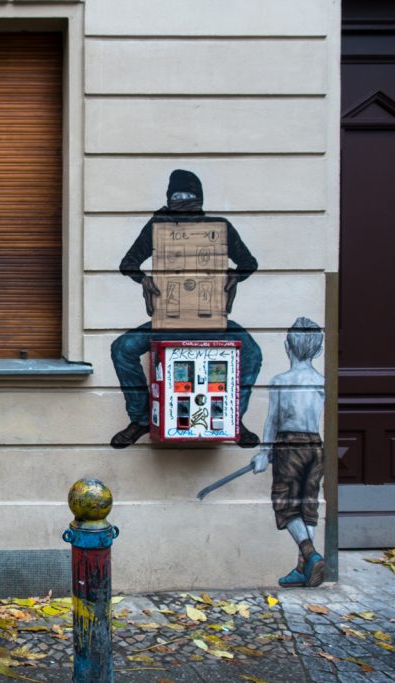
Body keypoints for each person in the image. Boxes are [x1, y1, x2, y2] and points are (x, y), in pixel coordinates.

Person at [110, 169, 263, 448]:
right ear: (169, 199)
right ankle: (142, 419)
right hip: (167, 321)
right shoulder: (158, 228)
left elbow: (249, 262)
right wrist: (144, 279)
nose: (184, 201)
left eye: (189, 196)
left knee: (252, 352)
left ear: (200, 199)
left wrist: (233, 276)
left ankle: (234, 418)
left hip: (213, 322)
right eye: (177, 197)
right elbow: (128, 262)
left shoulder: (219, 228)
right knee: (122, 348)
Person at [252, 317, 326, 588]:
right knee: (307, 503)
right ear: (318, 350)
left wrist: (265, 452)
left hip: (289, 445)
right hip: (315, 446)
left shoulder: (281, 380)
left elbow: (273, 420)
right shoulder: (321, 381)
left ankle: (310, 553)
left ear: (286, 346)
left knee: (284, 502)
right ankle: (302, 569)